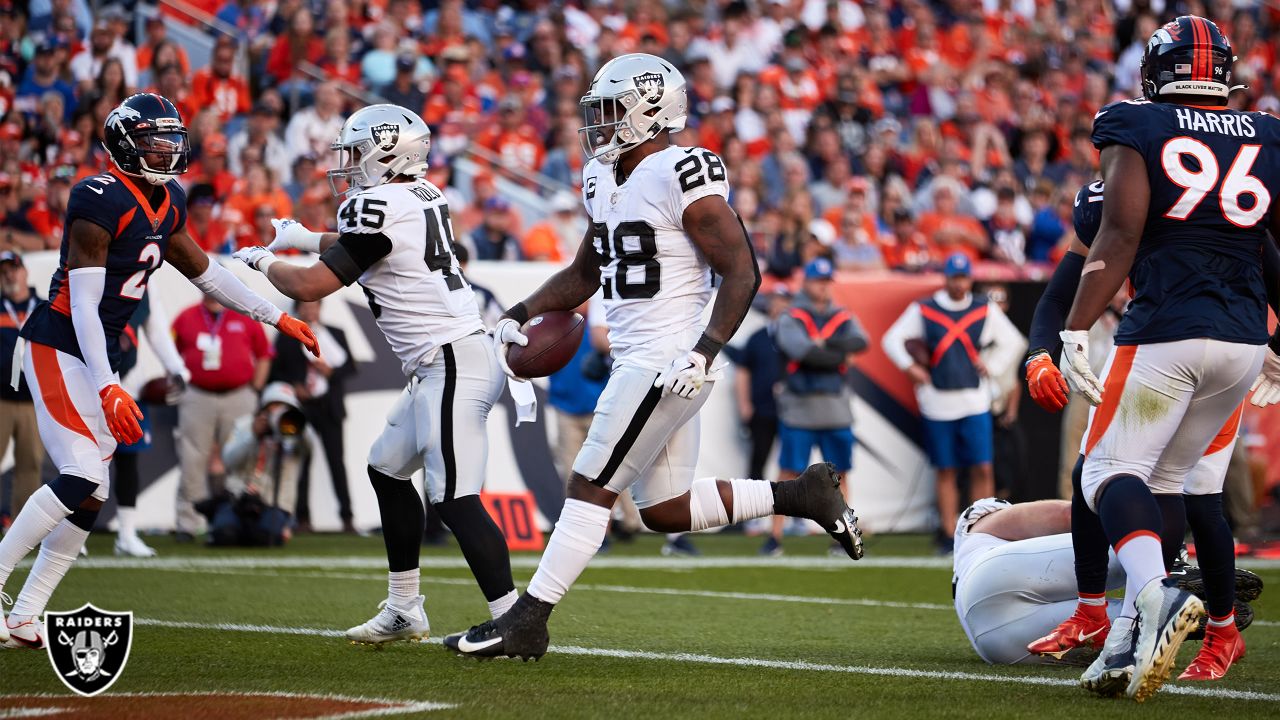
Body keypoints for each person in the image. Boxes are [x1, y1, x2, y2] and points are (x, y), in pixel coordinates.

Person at [442, 53, 864, 661]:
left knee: (590, 486)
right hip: (642, 359)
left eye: (612, 110)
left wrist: (703, 350)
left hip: (667, 360)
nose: (601, 123)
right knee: (664, 509)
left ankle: (526, 620)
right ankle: (801, 496)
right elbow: (586, 271)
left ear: (649, 111)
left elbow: (742, 271)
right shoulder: (602, 176)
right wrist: (516, 312)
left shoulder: (682, 171)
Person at [0, 94, 317, 649]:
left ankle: (27, 612)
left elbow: (206, 273)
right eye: (154, 141)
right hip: (58, 344)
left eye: (172, 138)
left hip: (96, 351)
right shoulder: (96, 198)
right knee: (80, 476)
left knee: (93, 492)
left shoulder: (166, 199)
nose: (167, 150)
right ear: (124, 145)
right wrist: (107, 383)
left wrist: (274, 316)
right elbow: (82, 305)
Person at [233, 104, 521, 646]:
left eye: (357, 152)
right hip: (448, 358)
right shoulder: (421, 195)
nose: (348, 163)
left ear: (389, 154)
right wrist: (302, 236)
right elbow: (369, 247)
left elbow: (315, 284)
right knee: (387, 469)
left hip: (452, 359)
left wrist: (259, 261)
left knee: (455, 498)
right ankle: (404, 606)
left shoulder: (378, 205)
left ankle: (514, 620)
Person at [1056, 17, 1280, 700]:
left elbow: (1121, 231)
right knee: (1169, 484)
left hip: (1166, 333)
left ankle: (1152, 594)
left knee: (1104, 471)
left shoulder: (1135, 122)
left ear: (1158, 72)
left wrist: (1074, 328)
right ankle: (1127, 642)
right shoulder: (1268, 132)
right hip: (1241, 342)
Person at [953, 498, 1263, 666]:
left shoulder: (966, 555)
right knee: (1127, 546)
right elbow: (1067, 514)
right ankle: (1174, 569)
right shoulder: (978, 521)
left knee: (1135, 621)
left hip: (997, 647)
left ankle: (1176, 612)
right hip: (991, 577)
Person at [882, 253, 1023, 553]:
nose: (959, 284)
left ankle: (981, 531)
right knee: (945, 469)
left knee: (982, 467)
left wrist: (993, 366)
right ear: (945, 278)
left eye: (963, 278)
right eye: (954, 277)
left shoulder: (983, 308)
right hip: (937, 401)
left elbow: (1014, 341)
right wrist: (911, 368)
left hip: (974, 400)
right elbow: (892, 339)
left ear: (969, 279)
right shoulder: (925, 308)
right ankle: (948, 533)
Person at [764, 258, 869, 556]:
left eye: (826, 282)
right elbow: (802, 351)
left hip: (835, 406)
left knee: (840, 476)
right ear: (806, 282)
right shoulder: (791, 315)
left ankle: (846, 538)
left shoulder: (840, 314)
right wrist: (837, 354)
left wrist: (821, 347)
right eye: (818, 281)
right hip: (799, 406)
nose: (823, 287)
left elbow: (861, 341)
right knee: (787, 473)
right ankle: (775, 537)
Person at [171, 293, 275, 542]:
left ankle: (242, 518)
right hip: (198, 394)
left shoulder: (245, 316)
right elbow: (170, 353)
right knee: (192, 457)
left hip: (238, 394)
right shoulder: (186, 317)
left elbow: (264, 352)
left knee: (242, 457)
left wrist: (256, 387)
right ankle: (189, 522)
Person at [269, 299, 356, 533]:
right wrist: (294, 385)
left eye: (314, 305)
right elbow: (275, 370)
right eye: (305, 306)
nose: (310, 310)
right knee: (301, 462)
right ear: (298, 309)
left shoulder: (336, 333)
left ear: (320, 308)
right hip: (301, 406)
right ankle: (303, 519)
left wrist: (331, 372)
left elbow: (351, 367)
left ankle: (347, 518)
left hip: (329, 407)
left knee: (336, 461)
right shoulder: (287, 336)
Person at [112, 293, 188, 558]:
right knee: (85, 467)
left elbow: (155, 328)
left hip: (129, 386)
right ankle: (73, 535)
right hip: (93, 384)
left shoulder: (144, 276)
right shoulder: (91, 266)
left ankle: (126, 533)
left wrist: (177, 368)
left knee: (128, 462)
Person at [208, 382, 311, 546]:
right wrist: (253, 435)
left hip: (275, 503)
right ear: (264, 408)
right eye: (275, 406)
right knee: (225, 535)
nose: (278, 412)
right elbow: (228, 460)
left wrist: (295, 425)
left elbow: (310, 447)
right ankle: (224, 521)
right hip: (238, 497)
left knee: (264, 538)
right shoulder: (245, 425)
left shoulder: (297, 430)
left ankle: (278, 527)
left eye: (285, 407)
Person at [0, 251, 44, 523]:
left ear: (25, 272)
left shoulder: (42, 308)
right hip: (1, 398)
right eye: (3, 271)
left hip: (34, 400)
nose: (8, 275)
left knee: (30, 465)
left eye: (13, 268)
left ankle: (21, 526)